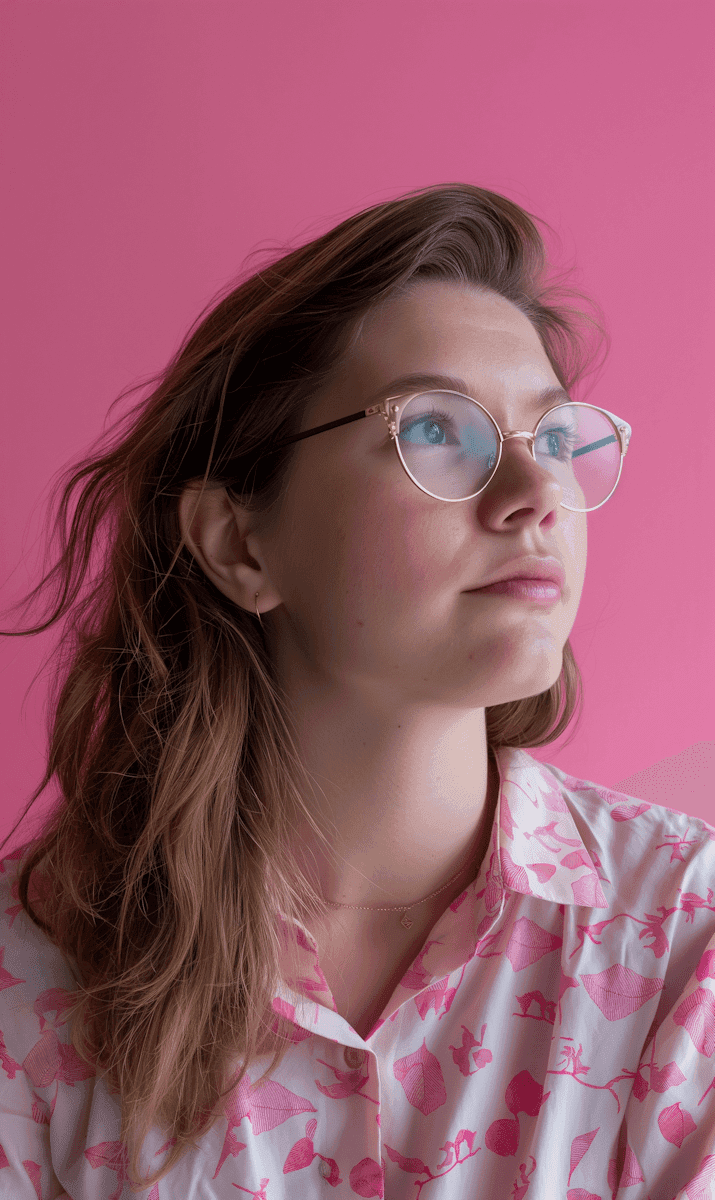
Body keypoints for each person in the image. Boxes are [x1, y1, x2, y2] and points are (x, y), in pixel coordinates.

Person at [0, 183, 712, 1199]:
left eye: (553, 439)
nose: (535, 497)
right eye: (437, 431)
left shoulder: (688, 938)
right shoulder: (32, 975)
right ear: (241, 544)